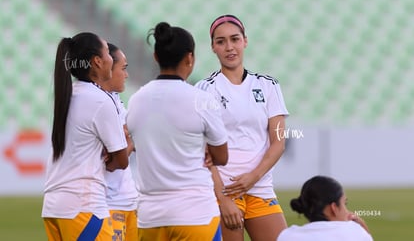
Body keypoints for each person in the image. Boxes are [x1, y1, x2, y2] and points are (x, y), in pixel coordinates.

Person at [126, 22, 228, 241]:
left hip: (150, 216)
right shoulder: (202, 100)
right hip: (195, 213)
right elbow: (221, 157)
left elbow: (136, 145)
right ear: (189, 58)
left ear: (155, 56)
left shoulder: (136, 100)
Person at [195, 14, 289, 240]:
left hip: (260, 187)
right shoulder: (204, 89)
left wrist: (254, 177)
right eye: (221, 41)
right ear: (213, 47)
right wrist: (223, 198)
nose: (229, 47)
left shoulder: (268, 85)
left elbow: (279, 142)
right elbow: (203, 151)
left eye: (235, 39)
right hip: (224, 191)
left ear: (245, 41)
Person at [42, 32, 129, 241]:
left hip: (54, 206)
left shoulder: (68, 94)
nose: (110, 58)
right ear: (97, 62)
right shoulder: (100, 100)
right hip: (82, 205)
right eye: (108, 53)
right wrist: (111, 156)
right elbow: (122, 160)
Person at [101, 43, 139, 240]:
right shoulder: (98, 104)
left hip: (128, 199)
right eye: (123, 69)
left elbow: (126, 141)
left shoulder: (115, 99)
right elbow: (115, 160)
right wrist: (130, 139)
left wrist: (128, 140)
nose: (126, 75)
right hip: (109, 202)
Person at [277, 175, 373, 241]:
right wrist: (362, 227)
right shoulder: (354, 232)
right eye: (345, 204)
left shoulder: (288, 236)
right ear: (334, 208)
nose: (347, 211)